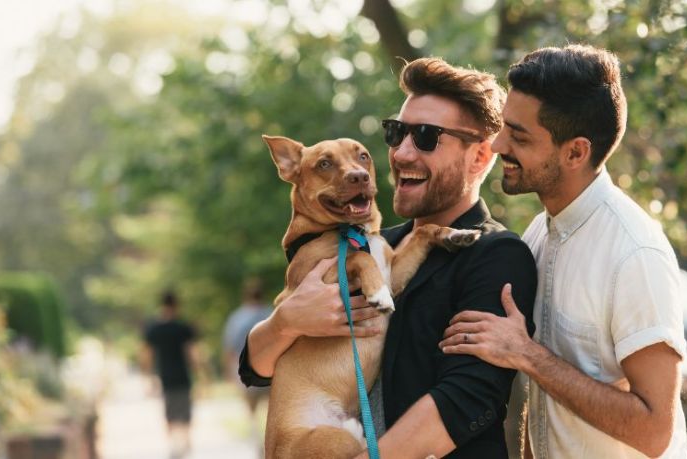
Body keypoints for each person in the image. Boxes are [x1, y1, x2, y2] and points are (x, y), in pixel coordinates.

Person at [240, 57, 538, 458]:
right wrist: (285, 323)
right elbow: (255, 369)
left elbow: (467, 398)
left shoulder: (495, 254)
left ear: (481, 157)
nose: (402, 153)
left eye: (427, 137)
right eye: (397, 134)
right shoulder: (370, 243)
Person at [439, 44, 687, 458]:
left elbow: (653, 431)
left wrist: (527, 355)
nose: (498, 145)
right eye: (504, 127)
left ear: (576, 152)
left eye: (518, 135)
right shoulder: (540, 231)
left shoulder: (635, 254)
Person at [143, 290, 198, 459]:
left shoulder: (154, 329)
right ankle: (184, 441)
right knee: (185, 412)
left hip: (165, 376)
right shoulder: (183, 328)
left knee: (170, 412)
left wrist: (148, 376)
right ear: (176, 305)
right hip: (183, 375)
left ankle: (174, 443)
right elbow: (191, 353)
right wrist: (199, 374)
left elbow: (147, 355)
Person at [222, 279, 273, 442]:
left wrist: (228, 372)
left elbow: (230, 347)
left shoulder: (237, 317)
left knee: (251, 409)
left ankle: (256, 437)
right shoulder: (272, 313)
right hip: (272, 368)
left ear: (245, 296)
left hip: (244, 369)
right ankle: (268, 438)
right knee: (271, 408)